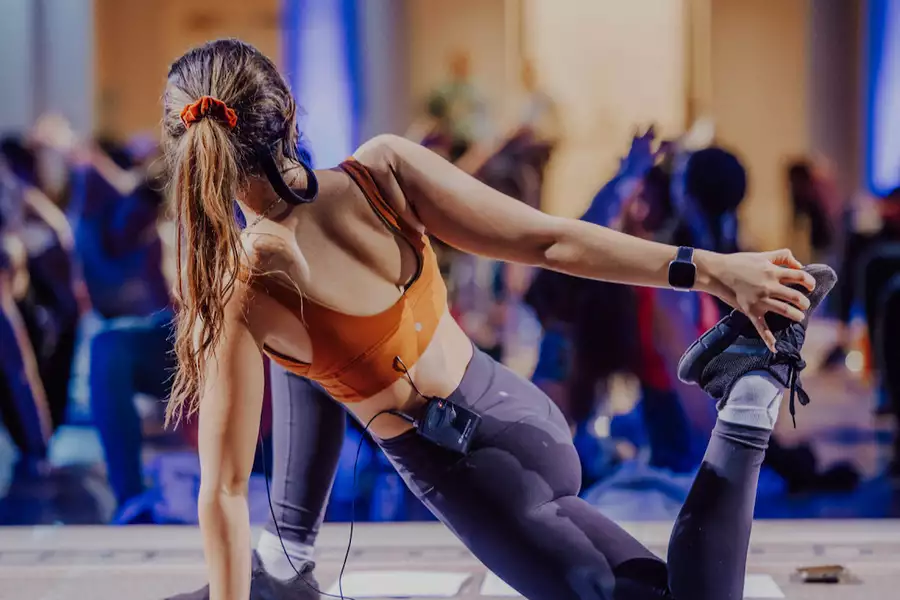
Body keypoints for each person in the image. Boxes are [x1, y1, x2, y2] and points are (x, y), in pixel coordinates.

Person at [163, 40, 825, 600]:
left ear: (191, 157)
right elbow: (551, 241)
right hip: (524, 415)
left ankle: (749, 401)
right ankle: (288, 558)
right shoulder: (383, 168)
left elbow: (223, 489)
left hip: (482, 485)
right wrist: (713, 268)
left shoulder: (243, 289)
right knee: (310, 354)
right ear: (287, 115)